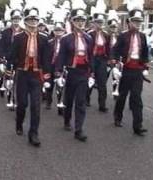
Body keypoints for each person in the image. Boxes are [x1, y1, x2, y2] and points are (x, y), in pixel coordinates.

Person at [8, 7, 51, 147]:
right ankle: (19, 122)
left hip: (36, 74)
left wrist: (47, 74)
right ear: (25, 21)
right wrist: (10, 69)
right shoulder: (19, 37)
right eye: (30, 19)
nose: (33, 22)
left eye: (35, 19)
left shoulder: (44, 38)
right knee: (22, 104)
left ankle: (34, 133)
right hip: (22, 74)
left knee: (36, 106)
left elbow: (46, 58)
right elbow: (12, 55)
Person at [56, 8, 94, 142]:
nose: (80, 23)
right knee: (69, 99)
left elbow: (91, 56)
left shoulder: (89, 38)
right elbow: (61, 56)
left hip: (83, 72)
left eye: (82, 20)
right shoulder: (66, 38)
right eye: (77, 20)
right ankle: (67, 120)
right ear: (73, 22)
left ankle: (79, 130)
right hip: (71, 72)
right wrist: (59, 72)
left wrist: (92, 73)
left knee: (81, 101)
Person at [110, 8, 149, 136]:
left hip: (137, 70)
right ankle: (117, 117)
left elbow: (145, 54)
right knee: (122, 96)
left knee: (137, 98)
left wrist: (145, 67)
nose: (137, 24)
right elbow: (114, 51)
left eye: (139, 21)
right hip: (126, 69)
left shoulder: (143, 36)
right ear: (129, 22)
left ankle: (138, 126)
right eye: (135, 21)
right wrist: (115, 63)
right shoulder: (123, 36)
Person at [0, 9, 24, 98]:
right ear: (11, 20)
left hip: (19, 58)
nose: (16, 21)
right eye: (14, 19)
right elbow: (1, 45)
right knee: (5, 75)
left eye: (18, 19)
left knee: (17, 79)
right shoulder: (6, 31)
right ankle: (3, 88)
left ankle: (13, 97)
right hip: (7, 57)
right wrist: (2, 56)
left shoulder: (24, 32)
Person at [86, 12, 110, 112]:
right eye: (97, 22)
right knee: (90, 79)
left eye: (101, 22)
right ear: (94, 23)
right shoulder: (89, 34)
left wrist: (109, 60)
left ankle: (102, 104)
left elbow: (109, 48)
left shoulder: (106, 35)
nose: (99, 24)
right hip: (92, 59)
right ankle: (86, 99)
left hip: (102, 59)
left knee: (102, 82)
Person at [45, 21, 66, 110]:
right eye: (56, 30)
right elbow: (45, 56)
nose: (58, 32)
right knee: (49, 85)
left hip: (61, 66)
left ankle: (60, 103)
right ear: (53, 31)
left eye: (60, 30)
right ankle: (48, 101)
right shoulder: (49, 42)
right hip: (51, 65)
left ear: (64, 31)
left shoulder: (66, 42)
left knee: (60, 85)